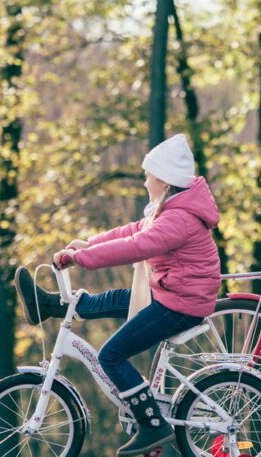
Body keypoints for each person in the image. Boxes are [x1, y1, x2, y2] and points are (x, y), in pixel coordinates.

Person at [14, 134, 221, 457]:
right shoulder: (169, 209)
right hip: (172, 291)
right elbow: (132, 231)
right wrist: (89, 244)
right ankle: (50, 305)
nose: (144, 182)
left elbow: (137, 246)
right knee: (111, 299)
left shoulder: (177, 219)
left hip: (180, 303)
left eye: (148, 176)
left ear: (165, 182)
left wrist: (80, 259)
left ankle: (152, 424)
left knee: (111, 355)